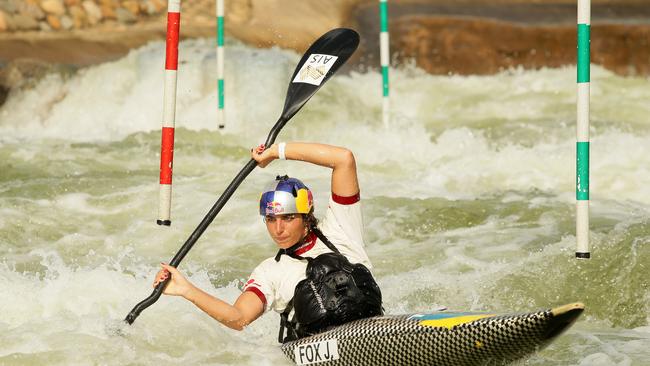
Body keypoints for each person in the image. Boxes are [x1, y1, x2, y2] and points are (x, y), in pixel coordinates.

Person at [153, 142, 382, 342]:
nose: (278, 229)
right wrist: (186, 290)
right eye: (271, 219)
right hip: (318, 347)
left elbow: (343, 159)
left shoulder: (341, 226)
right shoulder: (269, 272)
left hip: (373, 330)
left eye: (288, 218)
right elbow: (239, 318)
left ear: (306, 217)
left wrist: (275, 152)